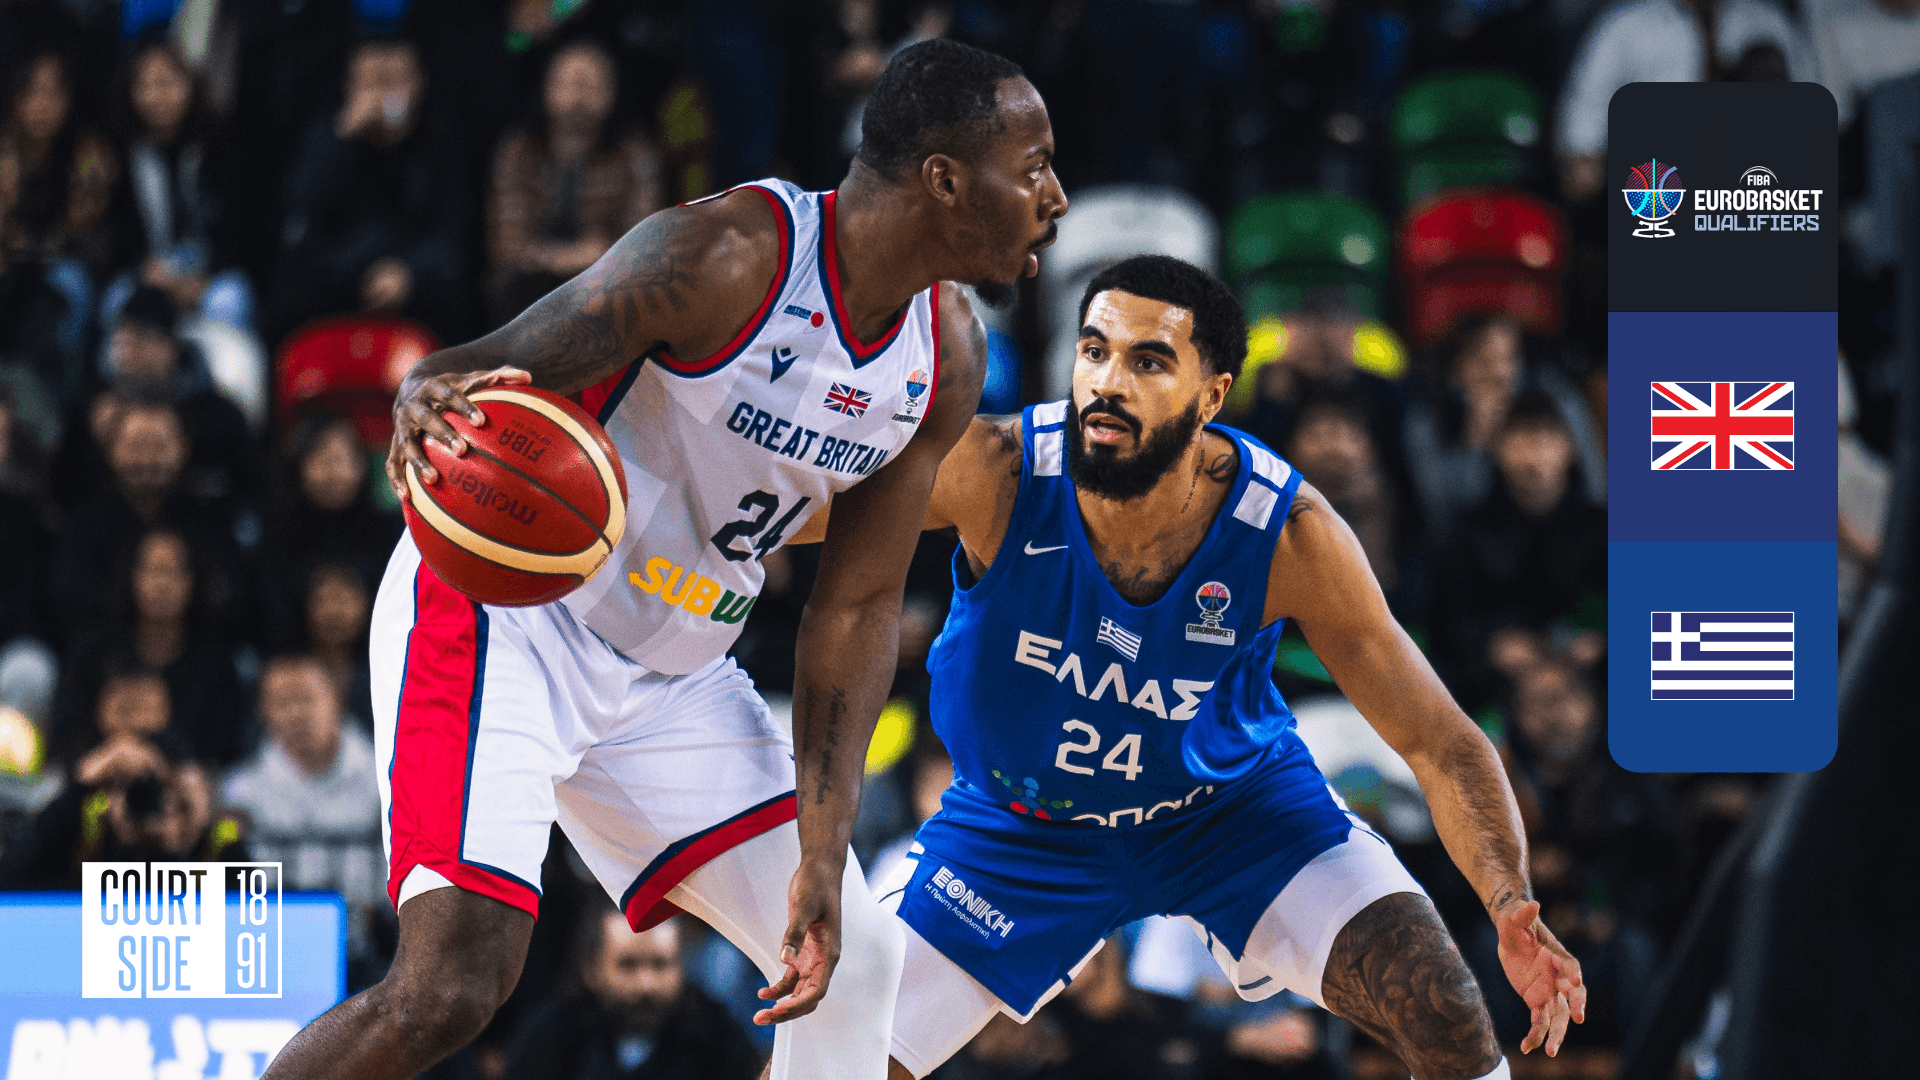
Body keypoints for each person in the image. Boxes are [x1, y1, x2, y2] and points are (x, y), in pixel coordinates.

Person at [261, 39, 1064, 1080]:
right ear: (945, 181)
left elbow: (857, 606)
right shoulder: (726, 257)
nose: (1055, 197)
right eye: (1034, 167)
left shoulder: (945, 355)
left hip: (673, 678)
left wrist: (824, 851)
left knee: (855, 962)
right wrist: (426, 393)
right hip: (510, 621)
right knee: (452, 987)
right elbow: (481, 369)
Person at [795, 255, 1583, 1079]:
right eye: (1094, 351)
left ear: (1212, 395)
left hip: (1232, 817)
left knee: (1445, 1008)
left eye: (1148, 362)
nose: (1108, 382)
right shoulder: (998, 469)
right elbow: (801, 504)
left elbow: (1439, 740)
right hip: (1022, 832)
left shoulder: (1288, 532)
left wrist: (1508, 901)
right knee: (828, 1061)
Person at [223, 654, 385, 978]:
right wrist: (223, 834)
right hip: (273, 958)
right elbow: (217, 861)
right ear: (263, 711)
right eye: (282, 702)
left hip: (375, 958)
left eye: (306, 698)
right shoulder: (239, 793)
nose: (296, 713)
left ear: (337, 699)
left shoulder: (387, 781)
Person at [485, 39, 665, 327]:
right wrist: (568, 257)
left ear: (611, 91)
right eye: (570, 83)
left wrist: (592, 257)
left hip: (607, 284)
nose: (579, 96)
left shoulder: (633, 152)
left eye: (591, 85)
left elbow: (643, 242)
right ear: (547, 88)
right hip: (532, 286)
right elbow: (506, 243)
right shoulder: (519, 149)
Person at [505, 909, 764, 1080]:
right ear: (591, 970)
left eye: (660, 965)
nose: (646, 984)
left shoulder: (718, 1038)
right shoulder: (549, 1037)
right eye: (628, 965)